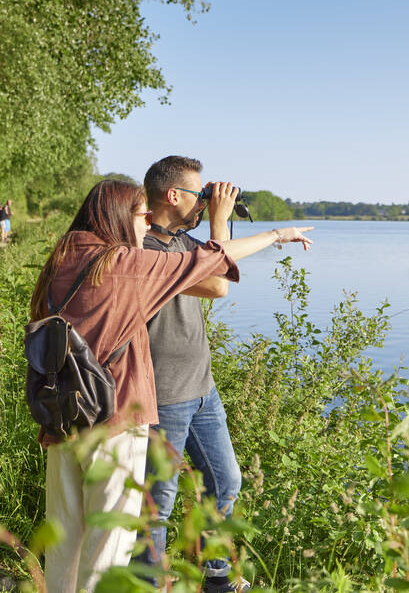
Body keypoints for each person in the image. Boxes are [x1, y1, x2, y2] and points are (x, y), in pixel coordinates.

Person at [29, 179, 312, 593]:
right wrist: (274, 234)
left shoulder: (63, 256)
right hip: (114, 418)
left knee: (65, 540)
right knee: (109, 543)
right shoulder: (126, 264)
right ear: (119, 216)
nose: (145, 224)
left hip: (62, 416)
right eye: (141, 215)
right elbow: (213, 265)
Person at [134, 156, 312, 592]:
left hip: (201, 389)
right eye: (197, 194)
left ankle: (215, 574)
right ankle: (148, 581)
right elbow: (217, 284)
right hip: (165, 392)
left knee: (226, 479)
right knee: (160, 498)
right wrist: (219, 221)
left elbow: (220, 258)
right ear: (172, 195)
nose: (204, 203)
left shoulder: (181, 241)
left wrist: (260, 230)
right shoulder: (145, 249)